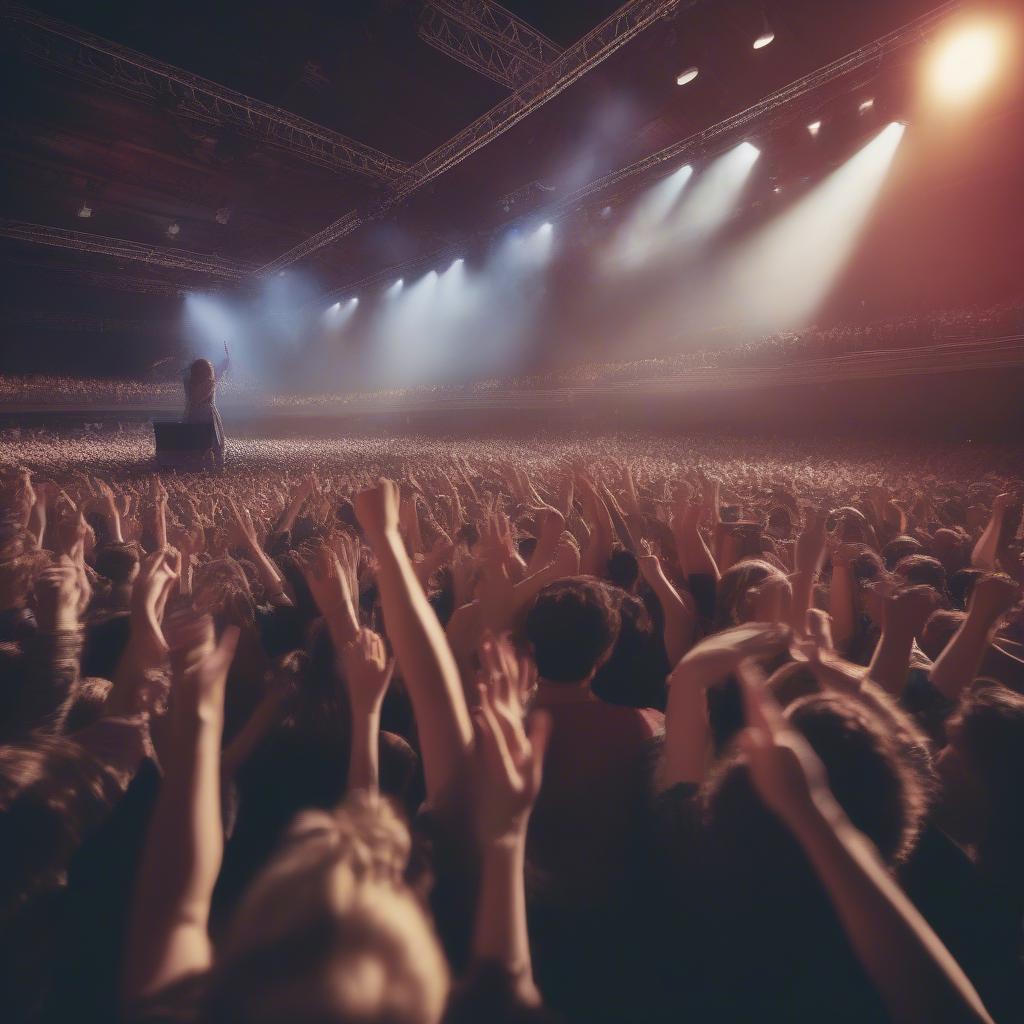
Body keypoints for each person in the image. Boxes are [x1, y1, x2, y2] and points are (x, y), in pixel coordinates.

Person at [183, 341, 230, 468]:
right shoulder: (210, 383)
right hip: (207, 415)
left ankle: (198, 461)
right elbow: (219, 372)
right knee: (214, 443)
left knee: (198, 444)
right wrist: (226, 361)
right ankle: (214, 463)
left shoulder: (188, 381)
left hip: (192, 414)